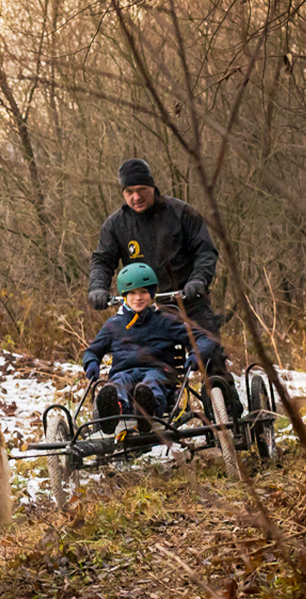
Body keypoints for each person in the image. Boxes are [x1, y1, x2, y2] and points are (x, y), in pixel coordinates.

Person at [87, 158, 221, 336]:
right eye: (129, 192)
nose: (136, 197)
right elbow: (102, 261)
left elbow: (205, 251)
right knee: (131, 357)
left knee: (210, 352)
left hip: (188, 303)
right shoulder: (116, 224)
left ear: (152, 187)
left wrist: (198, 280)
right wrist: (98, 288)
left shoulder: (183, 214)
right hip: (141, 308)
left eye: (142, 189)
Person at [81, 263, 222, 430]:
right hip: (123, 372)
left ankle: (148, 412)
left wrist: (197, 355)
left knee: (150, 384)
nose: (138, 298)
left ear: (152, 293)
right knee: (118, 383)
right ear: (124, 296)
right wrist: (91, 362)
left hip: (158, 371)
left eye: (143, 292)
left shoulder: (166, 321)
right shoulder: (113, 325)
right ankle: (115, 412)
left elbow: (204, 337)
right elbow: (92, 351)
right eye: (132, 293)